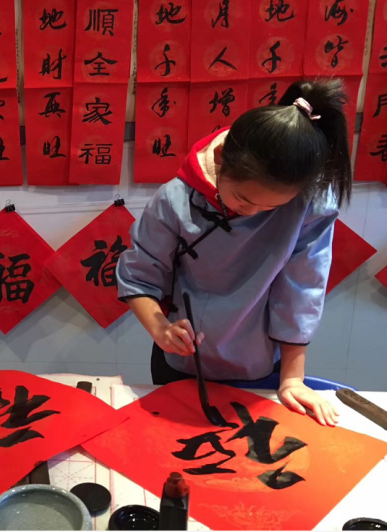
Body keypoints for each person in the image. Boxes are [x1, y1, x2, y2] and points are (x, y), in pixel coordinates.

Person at [118, 79, 352, 427]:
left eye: (270, 208)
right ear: (219, 158)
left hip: (259, 363)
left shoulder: (309, 206)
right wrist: (161, 329)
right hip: (182, 362)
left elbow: (302, 290)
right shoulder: (176, 199)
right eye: (243, 199)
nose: (252, 212)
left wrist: (292, 379)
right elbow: (139, 274)